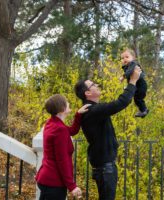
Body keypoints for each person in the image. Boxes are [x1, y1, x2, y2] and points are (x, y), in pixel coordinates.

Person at [74, 66, 142, 200]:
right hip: (105, 169)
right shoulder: (93, 111)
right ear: (87, 93)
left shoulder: (91, 110)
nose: (97, 84)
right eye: (93, 84)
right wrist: (133, 81)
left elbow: (118, 102)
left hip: (105, 168)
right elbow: (122, 102)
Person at [35, 94, 90, 200]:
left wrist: (78, 115)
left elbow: (72, 131)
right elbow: (62, 161)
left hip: (46, 179)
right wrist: (72, 186)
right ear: (62, 109)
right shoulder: (59, 129)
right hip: (53, 183)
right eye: (66, 102)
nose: (68, 103)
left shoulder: (51, 123)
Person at [120, 48, 149, 118]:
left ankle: (144, 110)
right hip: (137, 85)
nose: (124, 59)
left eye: (127, 57)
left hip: (141, 84)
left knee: (138, 99)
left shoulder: (133, 63)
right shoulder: (126, 67)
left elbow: (130, 71)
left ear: (133, 58)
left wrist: (123, 77)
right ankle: (143, 111)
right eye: (122, 58)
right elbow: (130, 79)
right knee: (136, 99)